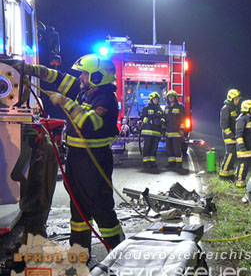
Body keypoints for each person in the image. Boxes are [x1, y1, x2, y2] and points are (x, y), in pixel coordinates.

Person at [15, 55, 124, 251]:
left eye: (85, 73)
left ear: (97, 77)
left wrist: (65, 102)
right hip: (77, 158)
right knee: (78, 208)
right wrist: (33, 70)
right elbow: (59, 78)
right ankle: (79, 253)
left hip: (94, 162)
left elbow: (89, 124)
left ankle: (118, 252)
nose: (81, 77)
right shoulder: (86, 91)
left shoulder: (105, 99)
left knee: (100, 207)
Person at [234, 99, 251, 188]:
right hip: (243, 148)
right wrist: (241, 146)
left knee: (245, 166)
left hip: (247, 148)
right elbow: (239, 134)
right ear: (247, 109)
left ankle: (241, 181)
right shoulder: (243, 119)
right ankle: (239, 184)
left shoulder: (249, 119)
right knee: (243, 166)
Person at [219, 89, 241, 181]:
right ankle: (223, 174)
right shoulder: (225, 108)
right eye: (236, 99)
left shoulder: (234, 109)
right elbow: (224, 125)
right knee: (230, 154)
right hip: (229, 136)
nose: (238, 101)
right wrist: (231, 135)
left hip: (234, 135)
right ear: (231, 98)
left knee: (233, 155)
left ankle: (230, 174)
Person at [140, 92, 163, 168]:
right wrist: (151, 121)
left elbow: (162, 117)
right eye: (154, 99)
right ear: (151, 99)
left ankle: (152, 161)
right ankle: (146, 161)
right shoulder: (146, 108)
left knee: (154, 147)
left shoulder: (160, 109)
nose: (156, 100)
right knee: (147, 146)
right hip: (148, 131)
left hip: (157, 131)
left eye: (157, 99)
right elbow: (143, 118)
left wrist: (162, 121)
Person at [164, 90, 185, 167]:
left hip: (176, 131)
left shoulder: (180, 106)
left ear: (175, 97)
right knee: (169, 148)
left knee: (176, 148)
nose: (170, 98)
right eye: (169, 97)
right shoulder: (166, 107)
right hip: (168, 131)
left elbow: (183, 118)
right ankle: (171, 162)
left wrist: (182, 129)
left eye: (172, 96)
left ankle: (179, 163)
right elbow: (165, 118)